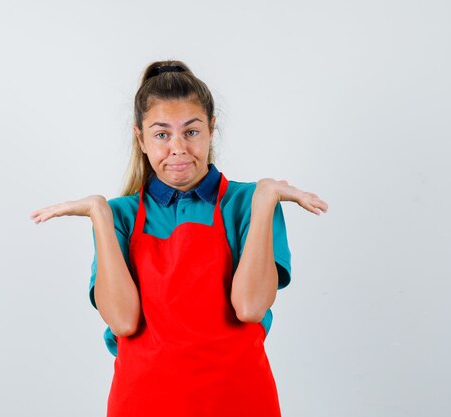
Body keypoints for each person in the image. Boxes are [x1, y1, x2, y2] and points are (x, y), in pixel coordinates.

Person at [30, 60, 328, 417]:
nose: (178, 148)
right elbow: (123, 321)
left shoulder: (247, 204)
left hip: (239, 401)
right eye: (161, 134)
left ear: (211, 130)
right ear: (140, 137)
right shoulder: (119, 215)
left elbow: (250, 307)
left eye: (191, 131)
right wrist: (98, 214)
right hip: (143, 403)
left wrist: (265, 198)